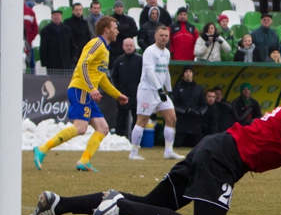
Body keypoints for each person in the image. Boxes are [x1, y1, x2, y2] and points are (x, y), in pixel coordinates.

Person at [26, 59, 281, 215]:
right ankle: (120, 204)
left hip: (217, 147)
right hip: (224, 159)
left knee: (153, 205)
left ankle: (59, 204)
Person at [33, 17, 128, 172]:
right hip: (81, 89)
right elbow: (82, 64)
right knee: (80, 127)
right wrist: (91, 88)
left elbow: (101, 77)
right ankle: (42, 149)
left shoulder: (105, 49)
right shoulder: (97, 43)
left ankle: (84, 161)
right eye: (115, 28)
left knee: (103, 128)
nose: (117, 31)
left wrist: (117, 95)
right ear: (106, 29)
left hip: (87, 91)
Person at [128, 25, 183, 161]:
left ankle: (168, 151)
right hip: (147, 91)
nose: (164, 38)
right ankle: (133, 152)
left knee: (171, 118)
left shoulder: (166, 52)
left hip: (161, 92)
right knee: (142, 121)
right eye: (161, 35)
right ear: (155, 36)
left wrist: (169, 90)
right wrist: (159, 89)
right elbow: (150, 72)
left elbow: (165, 72)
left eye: (166, 36)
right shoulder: (149, 51)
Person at [110, 38, 142, 140]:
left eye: (131, 45)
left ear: (134, 47)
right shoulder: (119, 60)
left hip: (137, 95)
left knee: (137, 119)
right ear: (123, 47)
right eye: (127, 45)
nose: (129, 47)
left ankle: (135, 141)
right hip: (122, 95)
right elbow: (114, 76)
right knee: (121, 118)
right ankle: (120, 140)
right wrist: (117, 90)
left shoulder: (140, 60)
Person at [172, 66, 206, 148]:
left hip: (195, 124)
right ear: (183, 74)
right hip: (181, 123)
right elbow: (173, 104)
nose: (188, 74)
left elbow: (204, 105)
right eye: (186, 72)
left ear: (192, 74)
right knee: (177, 145)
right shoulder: (177, 88)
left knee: (198, 146)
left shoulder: (199, 89)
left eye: (190, 72)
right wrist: (185, 111)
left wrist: (199, 112)